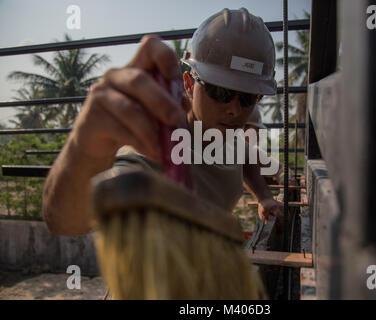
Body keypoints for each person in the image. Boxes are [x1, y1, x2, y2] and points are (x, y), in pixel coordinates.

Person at [42, 8, 284, 235]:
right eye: (221, 92)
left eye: (248, 97)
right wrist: (84, 144)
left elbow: (246, 156)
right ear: (189, 84)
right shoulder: (158, 149)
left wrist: (264, 196)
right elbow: (65, 219)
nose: (234, 108)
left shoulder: (227, 134)